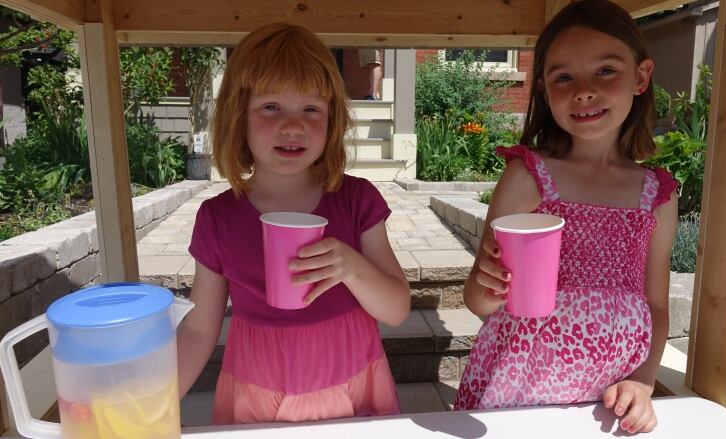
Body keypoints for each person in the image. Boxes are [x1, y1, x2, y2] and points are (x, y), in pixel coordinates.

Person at [454, 0, 678, 435]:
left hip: (609, 401)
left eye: (605, 71)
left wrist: (644, 380)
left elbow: (656, 305)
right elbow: (478, 302)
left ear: (641, 76)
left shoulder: (657, 196)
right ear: (543, 89)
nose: (584, 90)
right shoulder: (528, 178)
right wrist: (487, 286)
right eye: (563, 77)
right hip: (518, 391)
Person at [177, 22, 410, 425]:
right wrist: (146, 405)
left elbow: (396, 309)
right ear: (239, 117)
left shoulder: (357, 201)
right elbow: (198, 330)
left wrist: (351, 266)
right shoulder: (218, 218)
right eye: (270, 107)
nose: (292, 125)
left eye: (311, 109)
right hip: (256, 394)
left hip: (351, 386)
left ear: (332, 121)